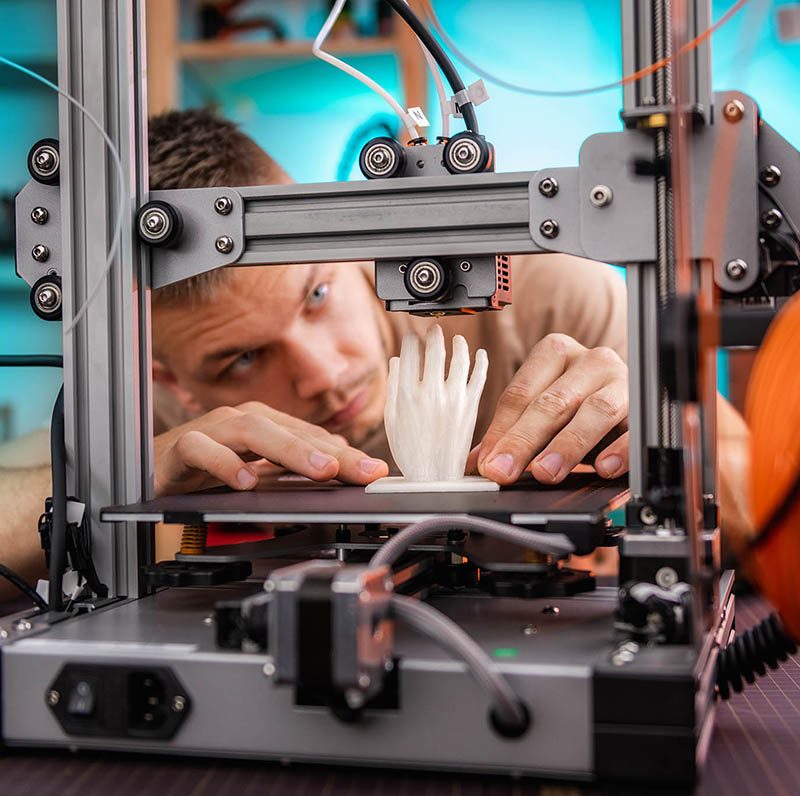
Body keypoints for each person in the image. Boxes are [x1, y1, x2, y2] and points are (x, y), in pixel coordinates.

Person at [0, 108, 751, 600]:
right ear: (171, 379)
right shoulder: (148, 404)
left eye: (317, 296)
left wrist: (665, 441)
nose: (323, 373)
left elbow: (763, 502)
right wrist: (117, 475)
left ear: (342, 241)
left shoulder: (550, 295)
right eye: (240, 360)